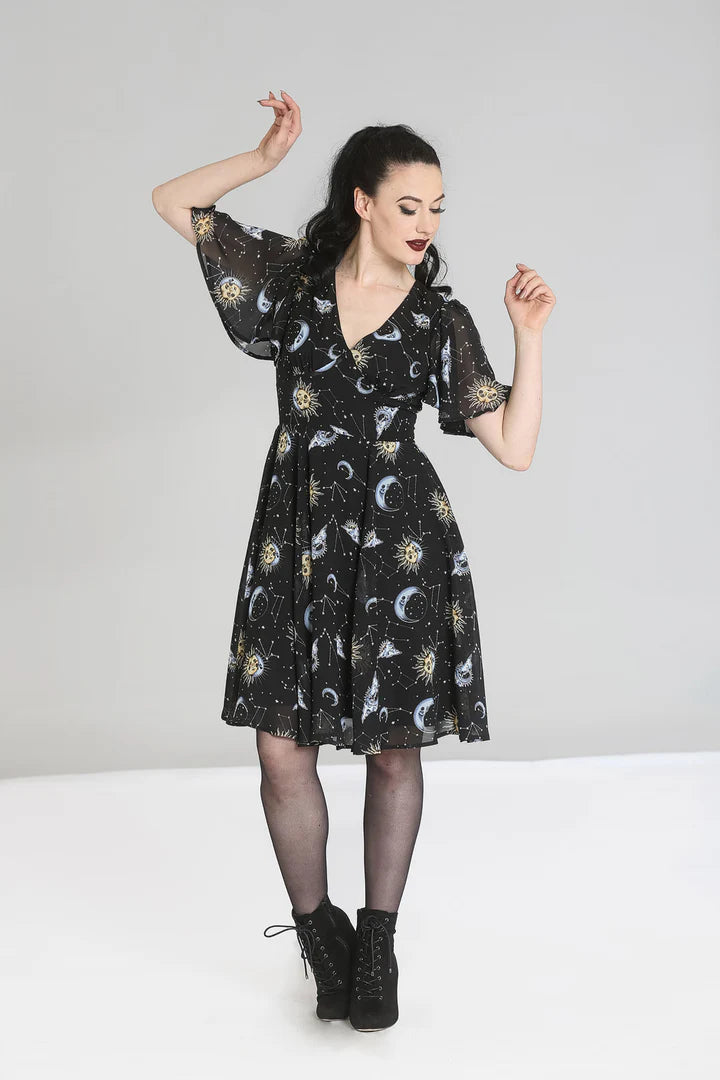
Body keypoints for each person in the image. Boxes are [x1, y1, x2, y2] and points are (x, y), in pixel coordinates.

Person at [152, 89, 553, 1033]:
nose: (427, 224)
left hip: (399, 542)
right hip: (296, 536)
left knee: (392, 748)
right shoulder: (292, 282)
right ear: (363, 201)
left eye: (438, 208)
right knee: (279, 750)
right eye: (409, 204)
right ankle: (317, 930)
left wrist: (530, 338)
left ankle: (377, 940)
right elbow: (175, 201)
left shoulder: (439, 319)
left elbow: (515, 445)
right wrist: (262, 158)